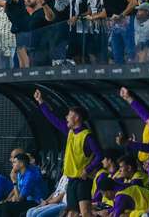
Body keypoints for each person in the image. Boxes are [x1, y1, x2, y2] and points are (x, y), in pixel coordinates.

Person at [34, 89, 103, 217]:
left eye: (69, 114)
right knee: (72, 213)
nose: (66, 117)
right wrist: (41, 102)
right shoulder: (70, 131)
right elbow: (53, 119)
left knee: (85, 213)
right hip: (71, 180)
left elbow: (100, 155)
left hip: (82, 180)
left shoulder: (87, 136)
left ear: (76, 117)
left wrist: (88, 170)